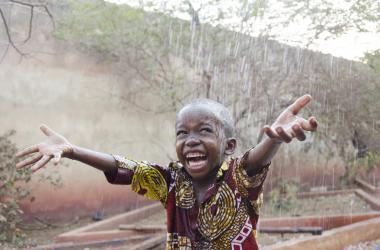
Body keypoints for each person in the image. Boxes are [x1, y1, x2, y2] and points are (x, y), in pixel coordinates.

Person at [16, 94, 317, 249]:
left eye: (204, 131)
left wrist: (274, 139)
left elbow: (256, 160)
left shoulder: (239, 178)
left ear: (229, 146)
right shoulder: (172, 181)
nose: (191, 140)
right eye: (182, 133)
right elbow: (126, 168)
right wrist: (73, 150)